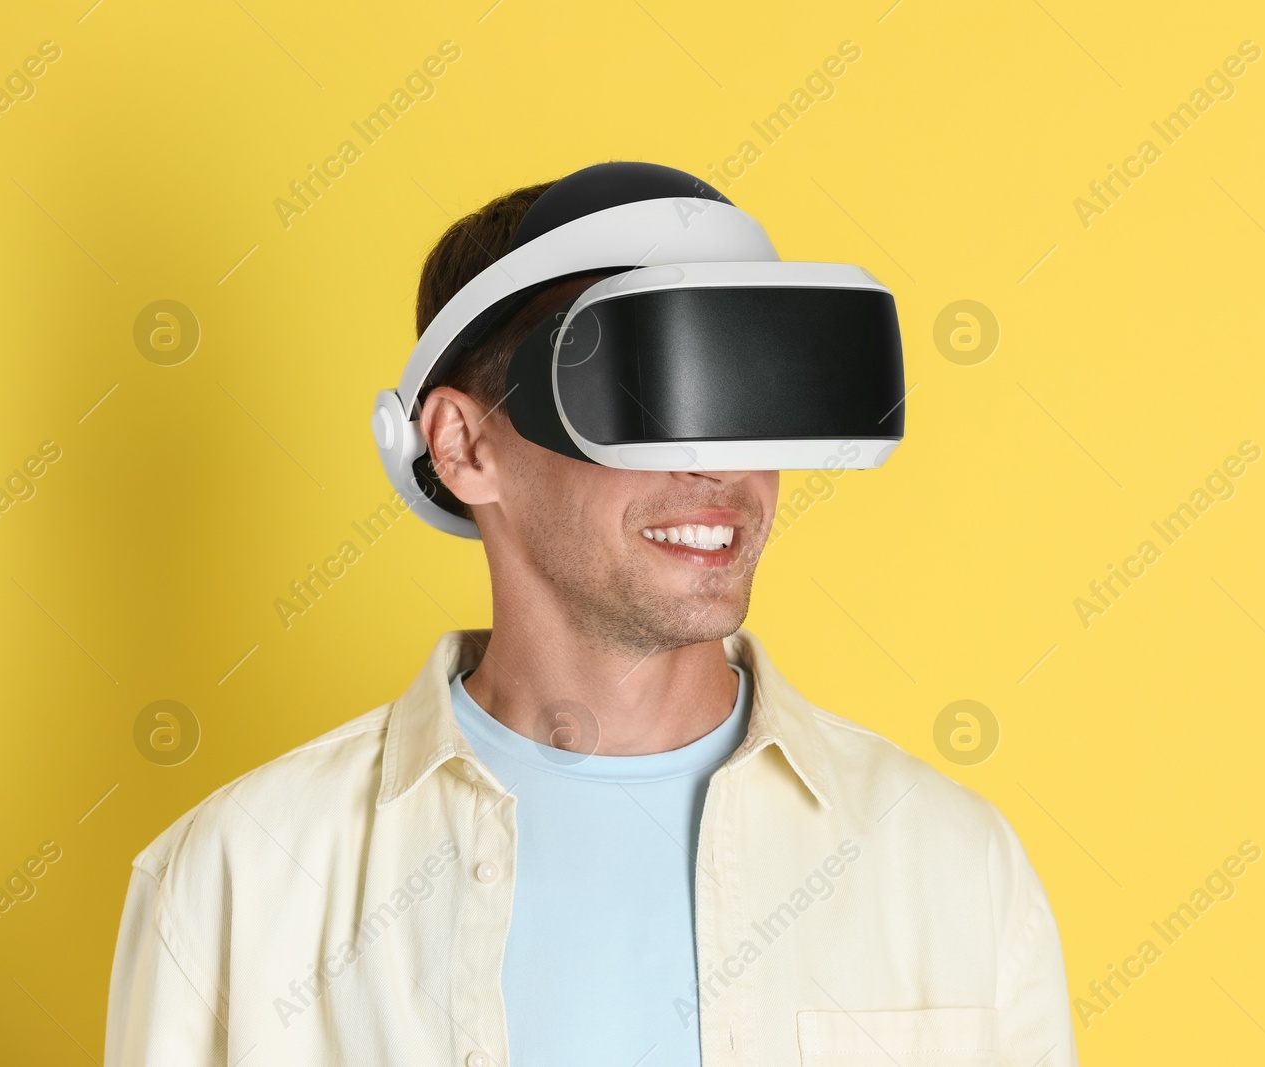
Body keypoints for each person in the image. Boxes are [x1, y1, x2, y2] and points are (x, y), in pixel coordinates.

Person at [105, 163, 1078, 1066]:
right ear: (464, 444)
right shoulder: (240, 880)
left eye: (753, 398)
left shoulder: (950, 863)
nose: (722, 471)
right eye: (656, 393)